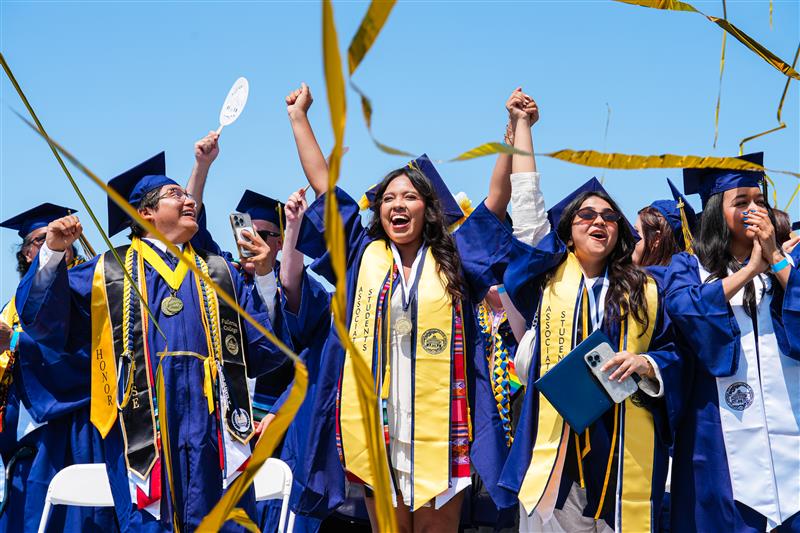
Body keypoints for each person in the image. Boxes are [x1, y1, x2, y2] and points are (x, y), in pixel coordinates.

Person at [285, 82, 528, 532]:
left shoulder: (455, 256)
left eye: (409, 197)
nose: (397, 204)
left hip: (442, 424)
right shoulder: (361, 254)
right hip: (381, 428)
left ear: (428, 209)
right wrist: (299, 118)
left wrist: (513, 134)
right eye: (389, 198)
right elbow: (324, 187)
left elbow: (496, 202)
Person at [13, 152, 288, 531]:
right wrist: (54, 252)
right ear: (146, 214)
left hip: (215, 432)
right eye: (176, 195)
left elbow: (265, 347)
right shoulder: (109, 271)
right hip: (143, 433)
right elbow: (45, 319)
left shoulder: (220, 270)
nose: (189, 200)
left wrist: (265, 279)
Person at [497, 95, 682, 532]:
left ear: (620, 232)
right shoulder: (545, 279)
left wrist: (648, 363)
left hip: (623, 451)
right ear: (568, 229)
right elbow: (526, 208)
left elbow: (674, 352)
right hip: (557, 453)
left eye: (609, 217)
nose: (598, 221)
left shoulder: (647, 292)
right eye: (586, 215)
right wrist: (523, 125)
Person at [665, 152, 800, 532]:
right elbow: (686, 311)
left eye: (760, 202)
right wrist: (749, 272)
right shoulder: (691, 268)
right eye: (741, 202)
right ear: (714, 213)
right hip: (718, 435)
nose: (754, 210)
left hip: (792, 424)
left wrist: (773, 258)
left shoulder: (789, 263)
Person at [0, 203, 115, 532]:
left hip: (71, 432)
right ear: (25, 254)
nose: (52, 241)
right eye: (40, 240)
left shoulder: (87, 289)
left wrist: (15, 344)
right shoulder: (12, 307)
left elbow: (82, 353)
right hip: (19, 445)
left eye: (61, 237)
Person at [633, 178, 698, 268]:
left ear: (656, 238)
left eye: (636, 231)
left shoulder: (649, 281)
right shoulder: (684, 278)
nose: (632, 237)